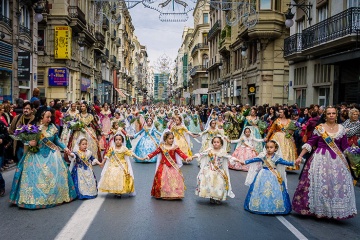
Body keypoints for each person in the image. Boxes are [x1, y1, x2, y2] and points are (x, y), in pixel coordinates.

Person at [292, 106, 357, 219]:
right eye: (329, 113)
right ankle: (318, 210)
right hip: (320, 159)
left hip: (337, 161)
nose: (331, 115)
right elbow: (311, 142)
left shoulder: (341, 129)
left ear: (336, 115)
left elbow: (345, 147)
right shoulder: (320, 128)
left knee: (334, 185)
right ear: (325, 116)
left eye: (333, 113)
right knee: (319, 184)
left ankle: (333, 210)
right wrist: (300, 156)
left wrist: (354, 158)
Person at [9, 110, 77, 209]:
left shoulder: (53, 128)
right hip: (36, 155)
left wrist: (66, 149)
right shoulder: (34, 128)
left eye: (50, 117)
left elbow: (57, 140)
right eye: (47, 117)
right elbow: (25, 139)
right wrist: (29, 143)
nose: (49, 119)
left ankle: (54, 197)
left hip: (52, 155)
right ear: (41, 117)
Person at [242, 140, 299, 215]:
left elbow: (286, 163)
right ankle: (260, 206)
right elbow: (254, 159)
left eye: (271, 147)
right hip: (262, 175)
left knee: (274, 190)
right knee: (260, 190)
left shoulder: (277, 158)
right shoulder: (263, 156)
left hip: (274, 176)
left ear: (275, 148)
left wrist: (294, 162)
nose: (269, 149)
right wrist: (244, 162)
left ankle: (273, 206)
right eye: (267, 147)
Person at [191, 136, 239, 204]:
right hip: (209, 169)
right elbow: (201, 154)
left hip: (219, 170)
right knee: (209, 181)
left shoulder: (223, 152)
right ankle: (211, 196)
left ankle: (218, 197)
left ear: (221, 144)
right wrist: (192, 157)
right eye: (214, 142)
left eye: (217, 142)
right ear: (212, 143)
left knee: (220, 183)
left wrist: (239, 161)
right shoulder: (209, 151)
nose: (216, 143)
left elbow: (230, 157)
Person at [144, 130, 191, 199]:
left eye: (172, 138)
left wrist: (187, 158)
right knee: (162, 180)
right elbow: (155, 152)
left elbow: (181, 153)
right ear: (165, 139)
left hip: (173, 166)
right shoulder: (162, 147)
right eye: (170, 138)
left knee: (174, 181)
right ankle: (163, 193)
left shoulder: (175, 147)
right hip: (163, 166)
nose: (171, 140)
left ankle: (174, 194)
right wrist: (148, 156)